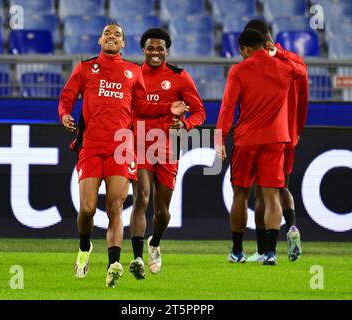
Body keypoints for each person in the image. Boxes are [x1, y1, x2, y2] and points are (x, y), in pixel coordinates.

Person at [58, 23, 188, 288]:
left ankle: (113, 264)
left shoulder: (132, 71)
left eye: (117, 34)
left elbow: (142, 107)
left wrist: (168, 108)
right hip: (91, 146)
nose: (112, 37)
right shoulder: (85, 68)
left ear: (123, 43)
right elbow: (67, 97)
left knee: (115, 206)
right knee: (87, 209)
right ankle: (85, 247)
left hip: (121, 147)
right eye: (107, 33)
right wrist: (65, 115)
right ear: (99, 39)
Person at [215, 28, 306, 265]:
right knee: (271, 196)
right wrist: (279, 53)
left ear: (245, 49)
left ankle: (237, 252)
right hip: (276, 140)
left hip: (246, 140)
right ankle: (271, 253)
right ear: (265, 45)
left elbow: (227, 107)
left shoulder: (239, 69)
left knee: (240, 194)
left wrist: (220, 138)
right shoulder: (285, 67)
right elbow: (302, 71)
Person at [129, 28, 206, 280]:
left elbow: (199, 112)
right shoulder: (132, 75)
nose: (155, 52)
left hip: (167, 147)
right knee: (141, 198)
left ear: (166, 50)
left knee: (162, 212)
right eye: (150, 48)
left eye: (160, 48)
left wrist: (184, 125)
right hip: (138, 144)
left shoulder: (180, 76)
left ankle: (155, 243)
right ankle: (138, 258)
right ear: (143, 49)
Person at [242, 19, 308, 263]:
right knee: (282, 188)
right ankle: (291, 226)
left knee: (262, 194)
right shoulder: (292, 60)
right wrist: (298, 128)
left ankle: (263, 250)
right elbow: (304, 97)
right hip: (289, 134)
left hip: (265, 135)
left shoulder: (257, 64)